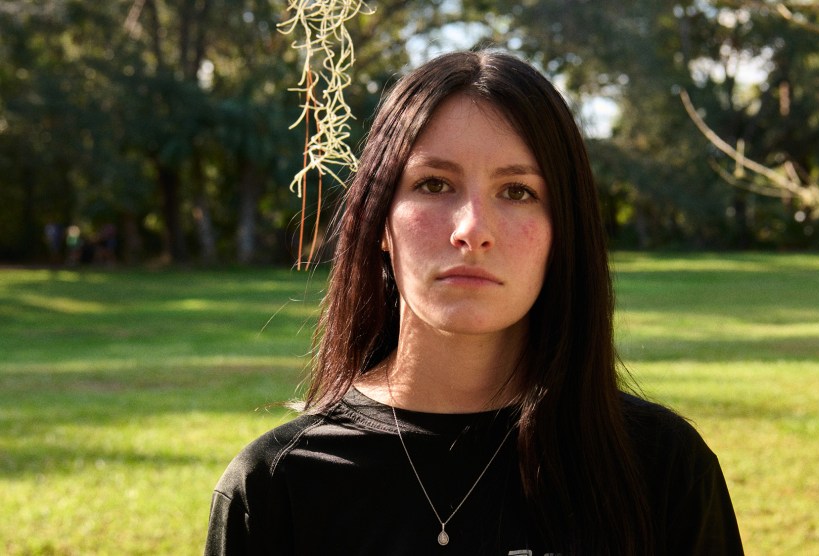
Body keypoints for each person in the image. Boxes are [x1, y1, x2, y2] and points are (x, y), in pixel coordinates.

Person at [205, 50, 743, 555]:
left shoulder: (664, 470)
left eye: (517, 192)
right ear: (380, 223)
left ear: (563, 231)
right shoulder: (276, 487)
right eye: (434, 184)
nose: (472, 230)